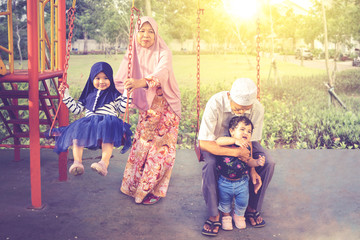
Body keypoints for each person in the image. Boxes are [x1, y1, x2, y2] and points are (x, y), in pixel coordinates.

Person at [114, 16, 181, 205]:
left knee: (160, 149)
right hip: (148, 106)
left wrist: (139, 82)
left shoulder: (164, 52)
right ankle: (134, 185)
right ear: (136, 33)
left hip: (167, 105)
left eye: (151, 31)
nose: (146, 35)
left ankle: (152, 190)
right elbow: (121, 78)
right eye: (142, 30)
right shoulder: (132, 52)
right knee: (142, 144)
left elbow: (162, 73)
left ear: (156, 34)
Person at [198, 78, 275, 236]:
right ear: (229, 96)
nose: (241, 113)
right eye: (238, 108)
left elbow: (252, 141)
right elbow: (204, 143)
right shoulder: (215, 103)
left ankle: (251, 208)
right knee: (211, 164)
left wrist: (252, 167)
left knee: (269, 163)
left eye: (246, 109)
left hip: (244, 145)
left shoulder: (257, 108)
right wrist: (235, 152)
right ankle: (214, 214)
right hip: (217, 143)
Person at [48, 62, 132, 177]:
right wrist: (66, 95)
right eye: (97, 78)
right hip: (89, 123)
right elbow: (77, 110)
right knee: (77, 133)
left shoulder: (114, 94)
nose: (101, 81)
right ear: (92, 78)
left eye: (105, 78)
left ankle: (103, 163)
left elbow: (122, 109)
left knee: (107, 133)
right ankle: (77, 162)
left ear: (110, 79)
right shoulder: (88, 95)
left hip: (108, 121)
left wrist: (127, 92)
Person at [215, 116, 265, 232]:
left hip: (242, 182)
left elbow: (249, 161)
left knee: (242, 201)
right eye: (242, 129)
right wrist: (235, 141)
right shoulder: (227, 142)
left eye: (249, 131)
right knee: (224, 201)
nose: (246, 133)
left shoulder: (247, 146)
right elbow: (218, 141)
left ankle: (238, 215)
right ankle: (226, 215)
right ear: (232, 131)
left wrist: (257, 162)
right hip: (225, 181)